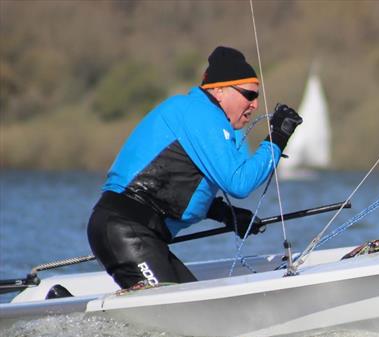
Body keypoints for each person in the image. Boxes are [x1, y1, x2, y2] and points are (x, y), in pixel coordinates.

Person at [87, 46, 302, 290]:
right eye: (249, 95)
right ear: (219, 90)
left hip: (138, 233)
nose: (254, 105)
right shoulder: (201, 114)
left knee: (198, 310)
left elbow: (171, 187)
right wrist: (277, 138)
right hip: (125, 230)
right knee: (178, 316)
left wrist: (225, 214)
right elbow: (239, 183)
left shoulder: (199, 114)